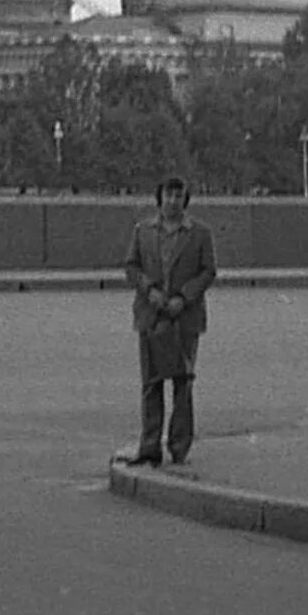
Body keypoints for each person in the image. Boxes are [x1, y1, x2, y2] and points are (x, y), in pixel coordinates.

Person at [120, 176, 217, 468]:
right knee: (151, 384)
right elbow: (131, 266)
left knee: (183, 383)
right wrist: (149, 289)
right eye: (168, 195)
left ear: (185, 200)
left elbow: (208, 271)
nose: (172, 201)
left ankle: (179, 447)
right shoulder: (142, 231)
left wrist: (183, 298)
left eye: (178, 196)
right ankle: (149, 446)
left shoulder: (199, 233)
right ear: (159, 198)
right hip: (151, 315)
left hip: (184, 319)